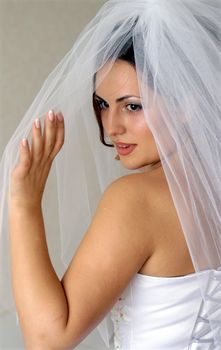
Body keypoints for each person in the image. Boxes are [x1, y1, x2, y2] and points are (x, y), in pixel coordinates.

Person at [0, 0, 221, 349]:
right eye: (103, 104)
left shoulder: (136, 199)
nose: (112, 126)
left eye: (132, 105)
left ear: (186, 105)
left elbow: (47, 340)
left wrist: (24, 203)